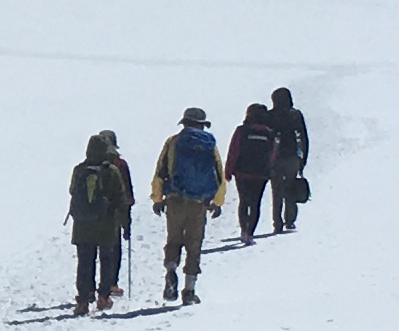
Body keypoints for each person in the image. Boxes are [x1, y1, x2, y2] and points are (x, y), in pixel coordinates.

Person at [149, 109, 223, 302]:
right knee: (194, 244)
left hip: (175, 199)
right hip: (199, 202)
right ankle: (189, 291)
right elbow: (219, 173)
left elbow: (160, 171)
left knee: (174, 240)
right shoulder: (209, 144)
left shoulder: (173, 142)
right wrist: (217, 201)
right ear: (202, 124)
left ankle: (171, 269)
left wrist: (157, 199)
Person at [67, 130, 133, 312]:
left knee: (84, 262)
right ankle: (103, 297)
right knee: (106, 260)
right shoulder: (111, 171)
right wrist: (125, 223)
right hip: (106, 225)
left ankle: (82, 299)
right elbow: (121, 198)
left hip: (82, 225)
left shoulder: (79, 170)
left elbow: (73, 191)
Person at [227, 101, 280, 243]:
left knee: (244, 201)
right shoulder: (270, 133)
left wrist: (228, 171)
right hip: (260, 173)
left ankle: (243, 230)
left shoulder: (242, 130)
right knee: (256, 203)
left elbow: (234, 150)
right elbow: (273, 154)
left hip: (242, 172)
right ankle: (250, 233)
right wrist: (270, 170)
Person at [267, 88, 311, 232]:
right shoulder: (296, 115)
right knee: (290, 189)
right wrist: (303, 159)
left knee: (276, 190)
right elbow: (303, 137)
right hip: (293, 158)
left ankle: (277, 222)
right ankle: (290, 220)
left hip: (275, 158)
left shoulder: (270, 115)